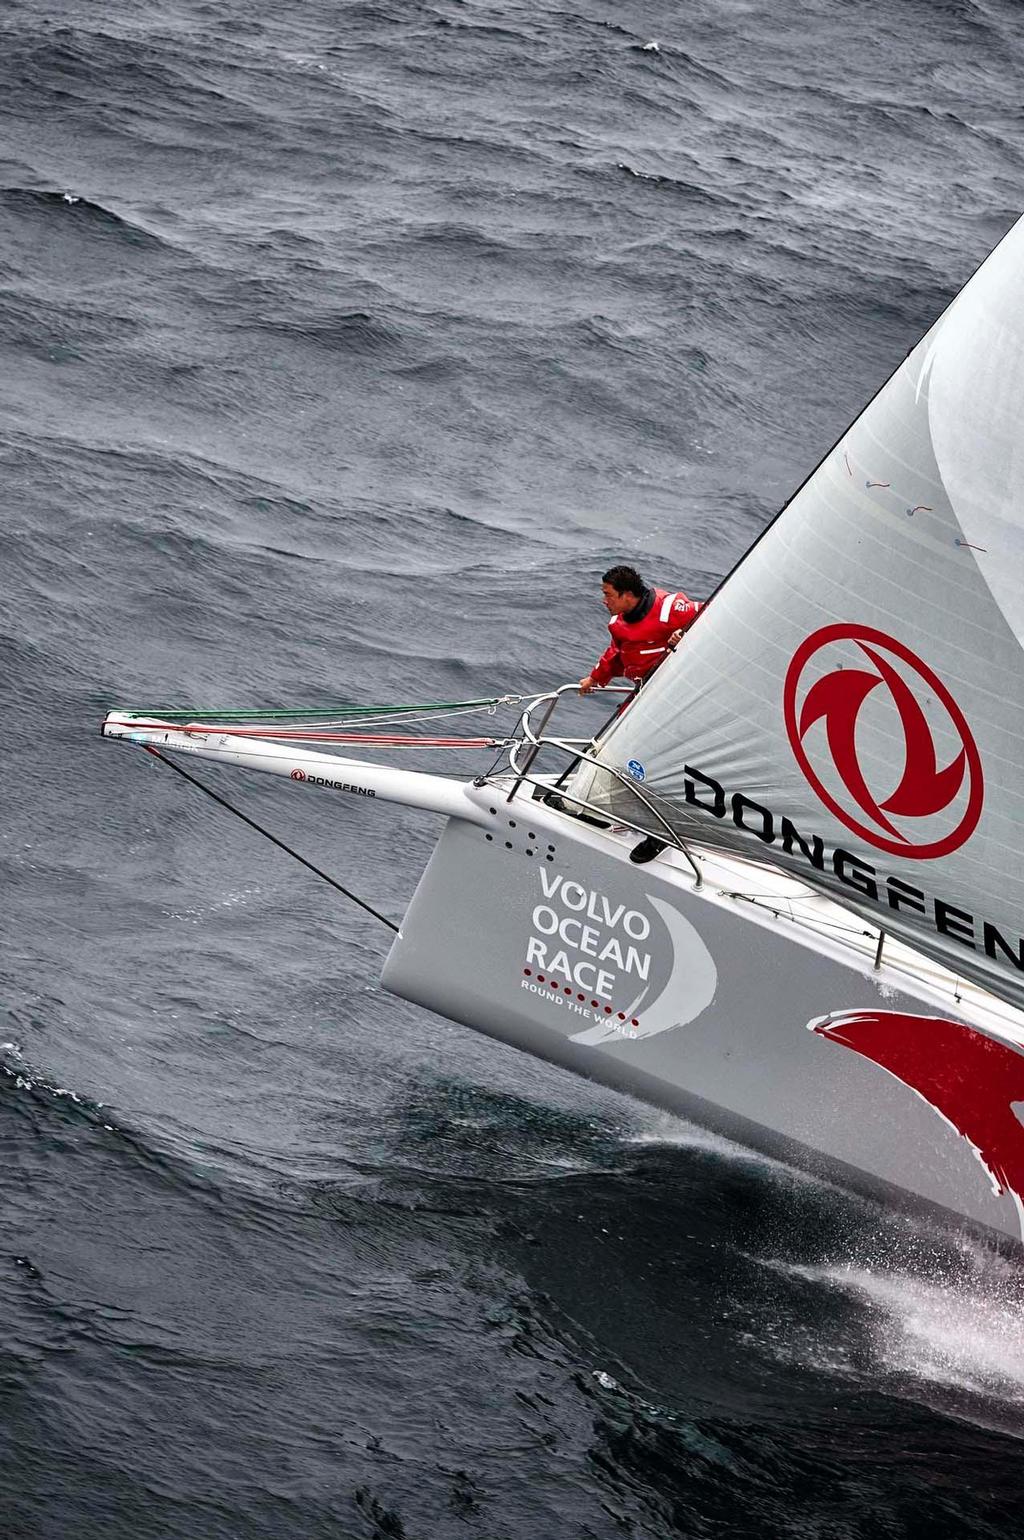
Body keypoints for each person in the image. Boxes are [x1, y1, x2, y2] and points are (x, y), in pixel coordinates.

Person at [579, 565, 702, 695]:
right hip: (647, 690)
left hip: (683, 684)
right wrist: (594, 678)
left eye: (608, 595)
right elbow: (615, 654)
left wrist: (685, 633)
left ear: (628, 595)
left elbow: (712, 611)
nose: (604, 601)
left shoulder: (668, 608)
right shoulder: (617, 624)